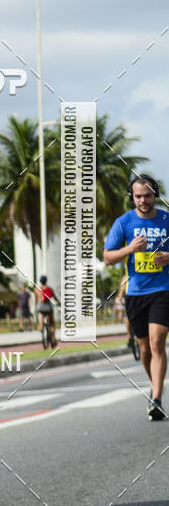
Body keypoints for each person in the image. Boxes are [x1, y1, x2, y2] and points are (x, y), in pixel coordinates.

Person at [103, 174, 169, 420]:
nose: (143, 200)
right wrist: (130, 249)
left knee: (157, 340)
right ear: (132, 197)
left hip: (163, 290)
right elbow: (108, 257)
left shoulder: (166, 220)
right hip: (135, 293)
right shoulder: (124, 222)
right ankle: (156, 387)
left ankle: (156, 398)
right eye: (138, 196)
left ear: (155, 195)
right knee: (144, 349)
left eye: (148, 195)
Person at [34, 275, 59, 347]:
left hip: (40, 306)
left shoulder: (36, 289)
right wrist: (59, 302)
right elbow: (54, 297)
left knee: (41, 314)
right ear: (46, 281)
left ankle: (41, 326)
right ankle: (53, 339)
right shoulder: (49, 288)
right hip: (48, 307)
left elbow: (36, 299)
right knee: (51, 323)